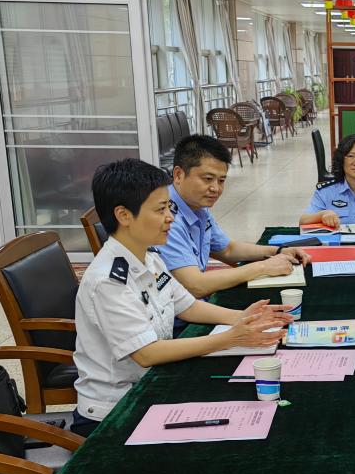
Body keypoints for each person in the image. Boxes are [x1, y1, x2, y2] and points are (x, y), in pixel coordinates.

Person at [72, 159, 292, 436]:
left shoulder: (149, 257)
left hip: (152, 384)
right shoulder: (108, 281)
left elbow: (186, 306)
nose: (170, 218)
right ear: (124, 215)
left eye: (169, 207)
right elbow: (147, 353)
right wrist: (229, 338)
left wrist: (245, 318)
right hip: (114, 412)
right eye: (160, 209)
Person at [159, 135, 310, 300]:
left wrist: (278, 250)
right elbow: (195, 286)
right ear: (178, 175)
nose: (215, 188)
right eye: (208, 179)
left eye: (221, 180)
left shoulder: (196, 206)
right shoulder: (165, 218)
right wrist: (264, 267)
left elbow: (227, 249)